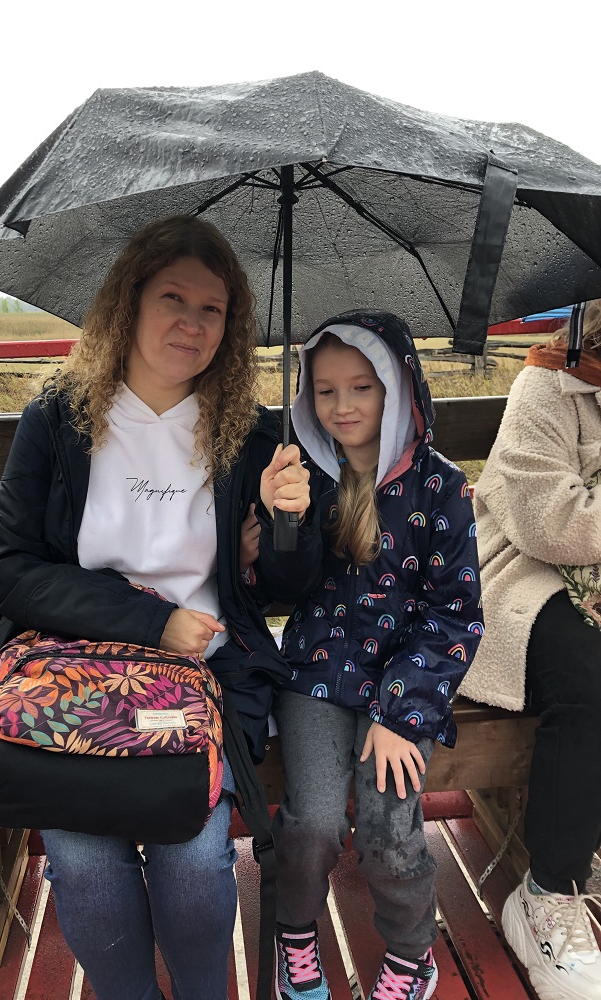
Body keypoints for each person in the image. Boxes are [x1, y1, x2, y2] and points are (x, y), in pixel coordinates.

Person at [0, 214, 311, 1000]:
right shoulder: (57, 421)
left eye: (213, 309)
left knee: (193, 853)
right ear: (129, 302)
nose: (191, 324)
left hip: (207, 679)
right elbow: (9, 567)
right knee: (84, 858)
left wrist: (288, 529)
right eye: (173, 298)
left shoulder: (249, 438)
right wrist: (152, 621)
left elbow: (286, 591)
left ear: (231, 328)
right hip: (73, 676)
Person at [255, 311, 483, 1000]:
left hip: (401, 686)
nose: (343, 406)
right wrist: (282, 526)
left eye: (362, 387)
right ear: (306, 399)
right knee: (314, 822)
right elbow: (276, 591)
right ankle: (296, 935)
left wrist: (403, 711)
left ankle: (412, 955)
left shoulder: (441, 488)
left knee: (389, 826)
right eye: (325, 391)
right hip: (315, 676)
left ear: (399, 388)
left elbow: (455, 612)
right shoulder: (307, 477)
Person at [459, 300, 601, 1000]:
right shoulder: (547, 385)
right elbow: (555, 526)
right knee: (590, 677)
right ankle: (549, 889)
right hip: (524, 576)